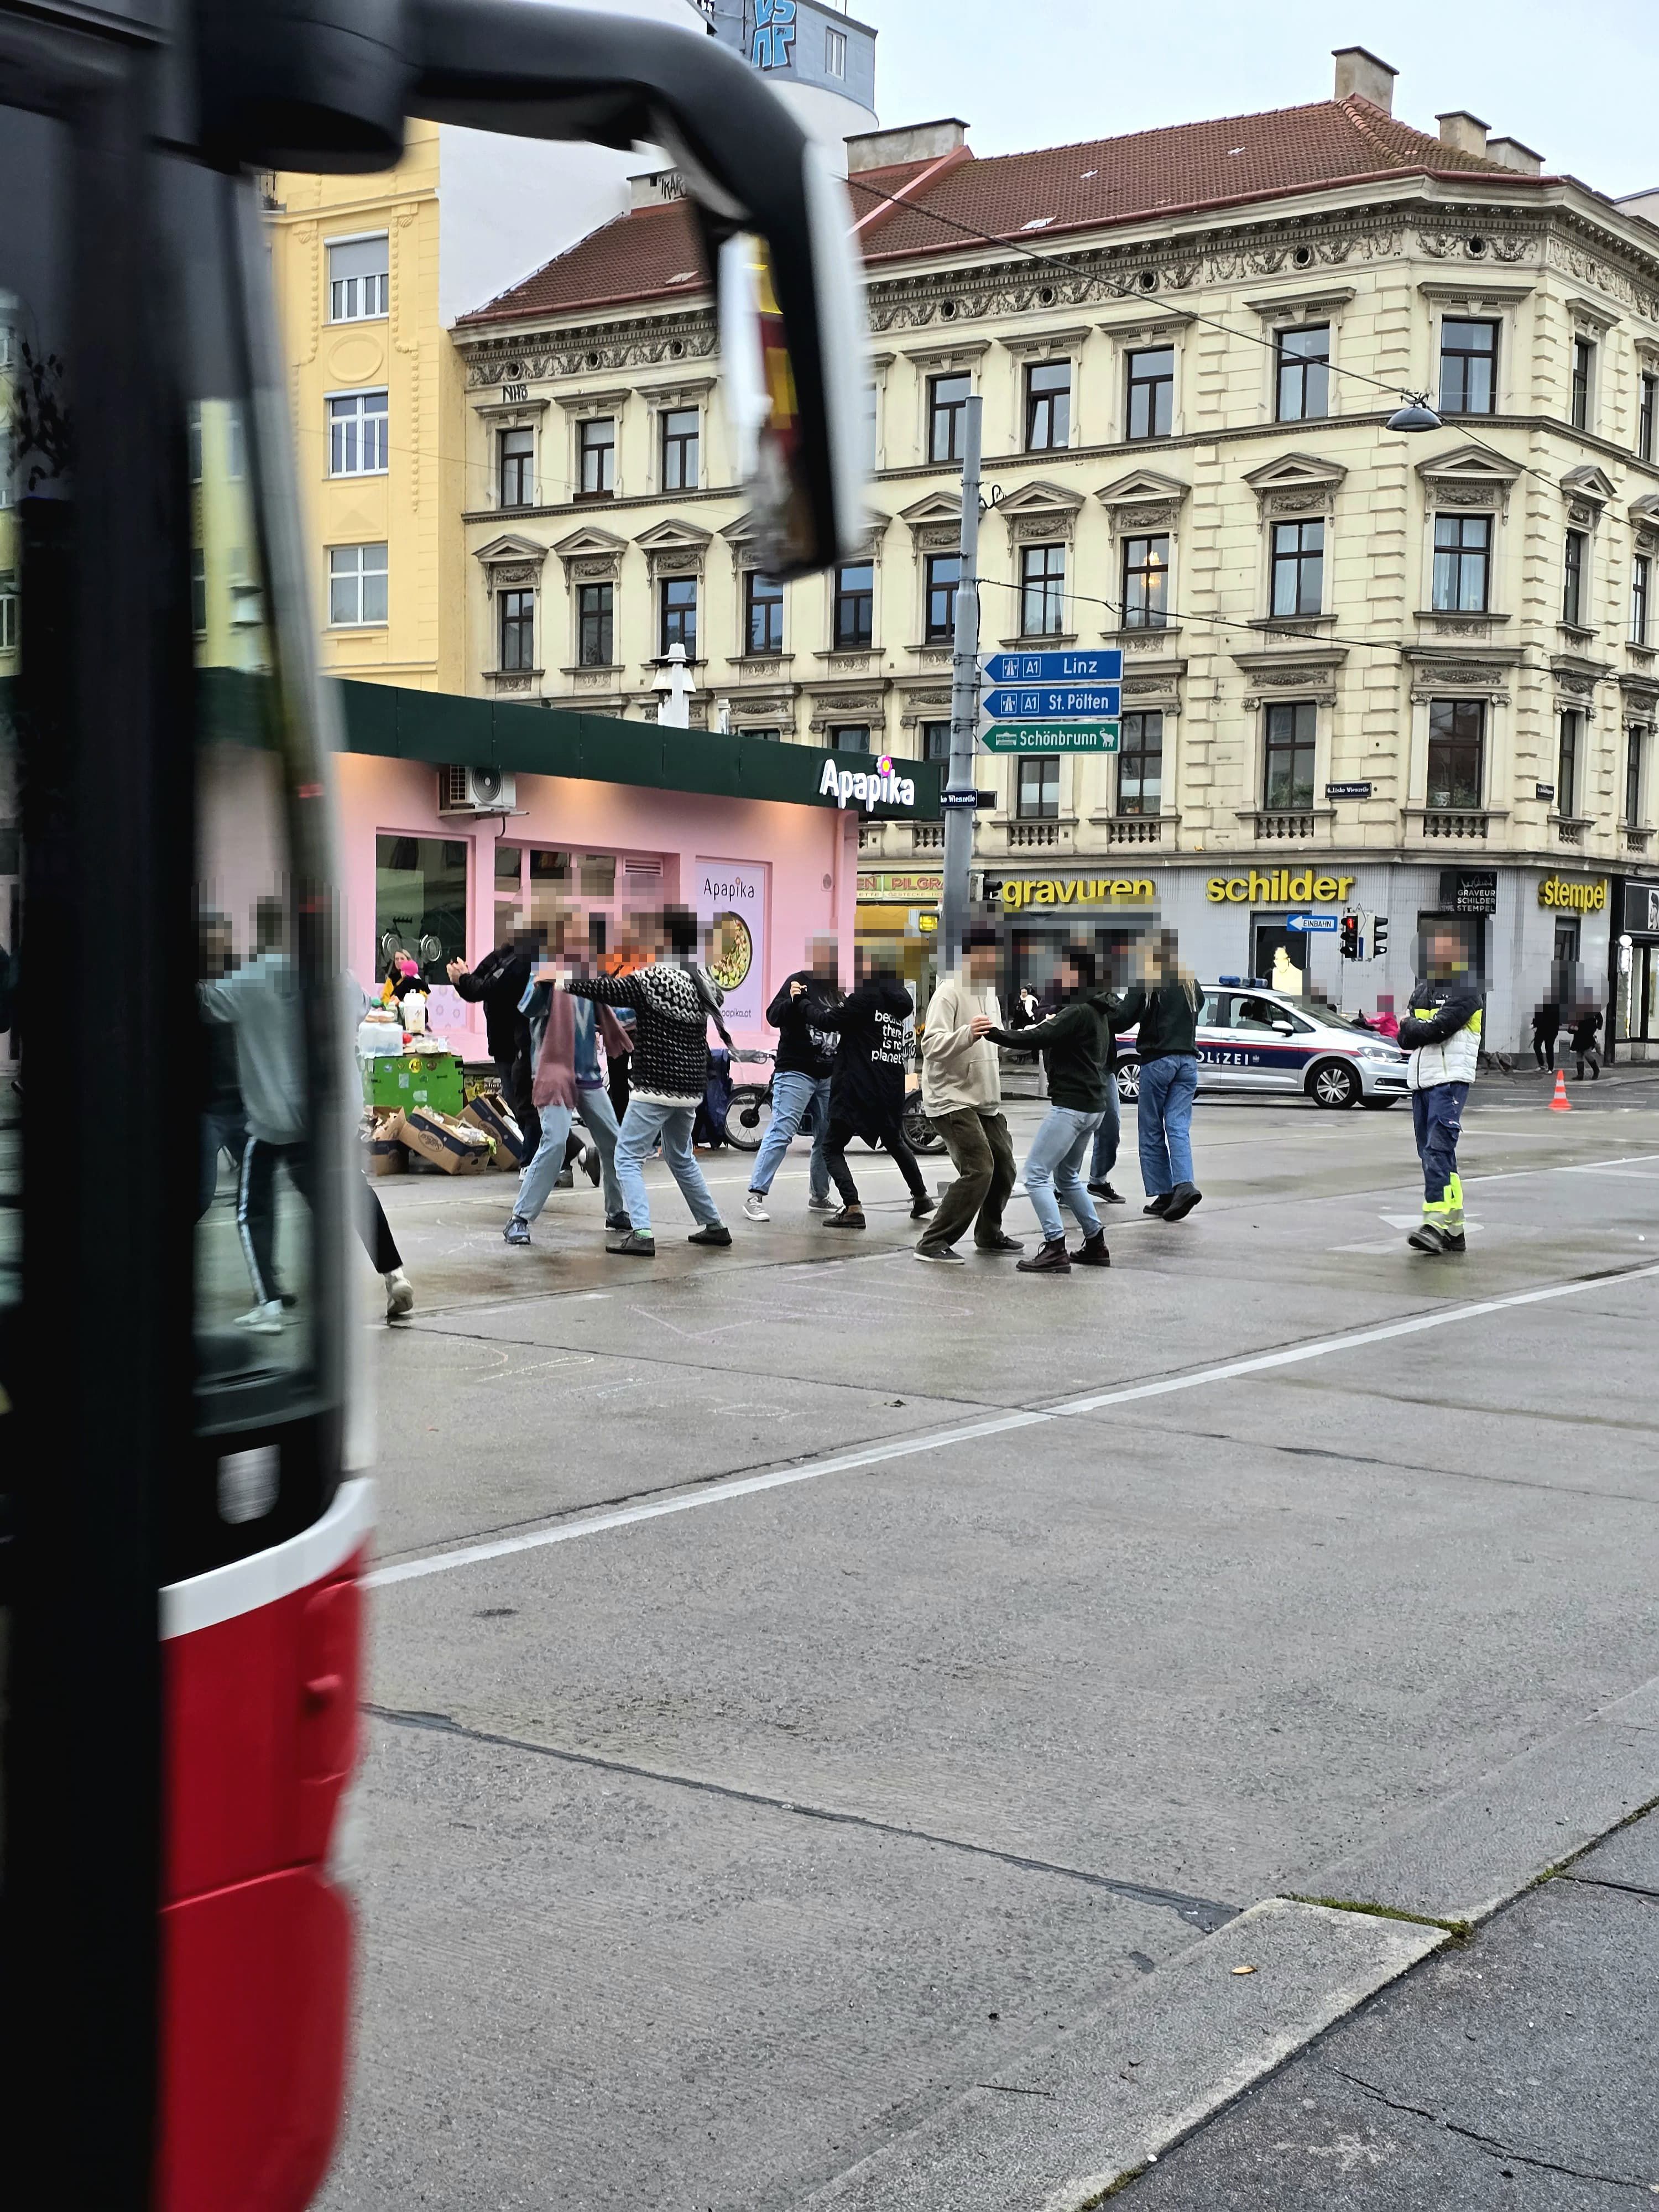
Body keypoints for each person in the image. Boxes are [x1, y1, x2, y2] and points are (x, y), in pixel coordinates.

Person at [560, 905, 732, 1258]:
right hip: (690, 1089)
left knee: (625, 1156)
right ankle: (714, 1225)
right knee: (680, 1156)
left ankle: (641, 1232)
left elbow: (607, 990)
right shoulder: (701, 983)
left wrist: (562, 982)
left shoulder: (653, 979)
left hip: (656, 1086)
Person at [984, 945, 1115, 1274]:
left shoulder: (1078, 1012)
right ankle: (1096, 1243)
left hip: (1071, 1107)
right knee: (1069, 1177)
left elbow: (1037, 1037)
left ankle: (1055, 1246)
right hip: (1092, 1107)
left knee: (1036, 1175)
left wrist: (994, 1033)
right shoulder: (1097, 1011)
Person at [504, 949, 633, 1246]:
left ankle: (616, 1212)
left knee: (614, 1140)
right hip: (553, 1072)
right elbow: (528, 1007)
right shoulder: (545, 966)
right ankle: (519, 1218)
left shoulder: (591, 972)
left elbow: (614, 1011)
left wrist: (650, 1000)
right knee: (556, 1140)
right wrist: (542, 984)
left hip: (587, 1072)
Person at [914, 928, 1020, 1264]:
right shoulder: (949, 991)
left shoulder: (990, 992)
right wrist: (965, 1035)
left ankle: (989, 1233)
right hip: (951, 1097)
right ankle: (933, 1242)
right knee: (980, 1168)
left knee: (1004, 1167)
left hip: (984, 1098)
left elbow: (996, 1038)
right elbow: (929, 1045)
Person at [814, 947, 935, 1229]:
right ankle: (921, 1196)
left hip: (858, 1085)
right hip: (889, 1086)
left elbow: (826, 1021)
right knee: (894, 1141)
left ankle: (853, 1206)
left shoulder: (865, 999)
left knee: (831, 1147)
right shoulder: (898, 1006)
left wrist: (802, 1002)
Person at [744, 933, 840, 1222]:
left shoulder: (836, 991)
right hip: (797, 1070)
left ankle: (820, 1196)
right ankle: (755, 1196)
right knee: (783, 1131)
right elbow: (773, 1015)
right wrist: (794, 1000)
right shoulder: (797, 981)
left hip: (827, 1074)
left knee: (826, 1137)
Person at [1399, 925, 1483, 1256]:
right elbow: (1405, 1037)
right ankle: (1455, 1229)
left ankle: (1434, 1224)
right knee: (1436, 1154)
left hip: (1449, 1081)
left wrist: (1412, 1027)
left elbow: (1438, 1030)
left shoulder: (1467, 990)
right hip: (1422, 1082)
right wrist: (1413, 1029)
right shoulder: (1422, 990)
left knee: (1436, 1150)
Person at [1117, 930, 1203, 1222]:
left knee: (1152, 1128)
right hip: (1188, 1061)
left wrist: (1101, 1010)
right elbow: (1199, 1004)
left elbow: (1124, 1016)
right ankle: (1184, 1185)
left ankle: (1163, 1193)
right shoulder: (1188, 979)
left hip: (1159, 1060)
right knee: (1178, 1127)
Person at [447, 926, 544, 1152]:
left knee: (526, 1105)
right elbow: (476, 987)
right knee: (517, 1102)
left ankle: (541, 1157)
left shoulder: (524, 961)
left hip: (522, 1041)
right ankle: (553, 1154)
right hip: (501, 1040)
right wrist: (460, 978)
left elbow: (489, 988)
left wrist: (463, 978)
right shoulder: (502, 955)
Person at [196, 911, 247, 1222]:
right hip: (206, 1109)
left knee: (258, 1192)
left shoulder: (241, 980)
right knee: (199, 1196)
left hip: (242, 1105)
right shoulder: (200, 991)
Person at [1571, 1004, 1603, 1081]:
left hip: (1589, 1034)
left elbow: (1600, 1019)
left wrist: (1597, 1030)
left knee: (1587, 1054)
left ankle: (1596, 1070)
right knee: (1579, 1054)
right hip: (1579, 1033)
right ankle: (1580, 1075)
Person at [1531, 992, 1561, 1073]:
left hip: (1551, 1030)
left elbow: (1557, 1018)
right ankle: (1542, 1065)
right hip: (1541, 1030)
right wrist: (1534, 1024)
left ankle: (1551, 1068)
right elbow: (1536, 1015)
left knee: (1549, 1048)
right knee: (1536, 1045)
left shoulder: (1555, 1006)